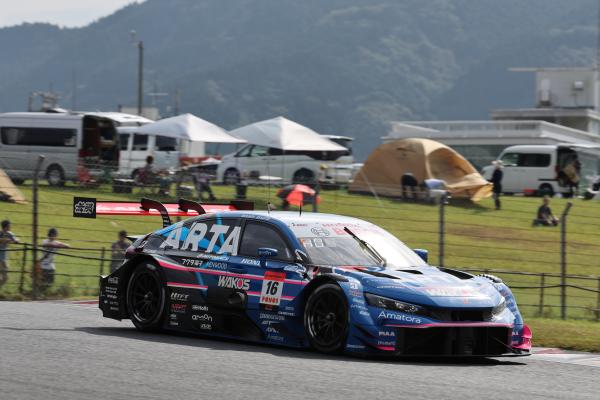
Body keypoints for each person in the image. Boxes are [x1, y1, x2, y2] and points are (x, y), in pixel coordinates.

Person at [0, 220, 19, 287]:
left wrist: (14, 240)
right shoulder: (0, 233)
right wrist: (4, 240)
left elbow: (16, 239)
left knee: (5, 278)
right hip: (1, 259)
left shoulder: (10, 234)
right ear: (6, 227)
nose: (10, 227)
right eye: (9, 225)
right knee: (4, 277)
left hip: (3, 257)